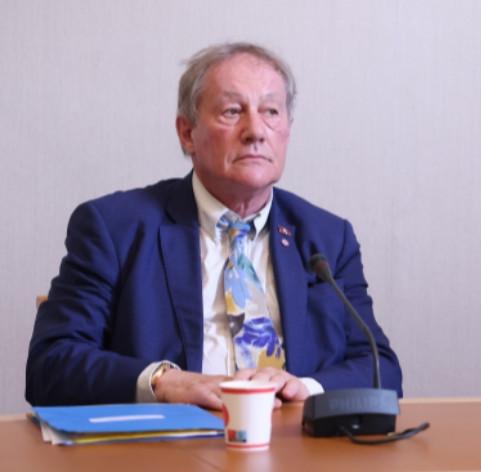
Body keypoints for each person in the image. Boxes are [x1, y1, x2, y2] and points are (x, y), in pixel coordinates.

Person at [26, 43, 401, 408]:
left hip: (293, 440)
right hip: (168, 442)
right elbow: (50, 365)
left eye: (271, 111)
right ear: (187, 133)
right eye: (232, 111)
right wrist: (163, 382)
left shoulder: (327, 238)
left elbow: (381, 368)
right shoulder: (116, 228)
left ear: (288, 128)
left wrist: (303, 388)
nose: (256, 131)